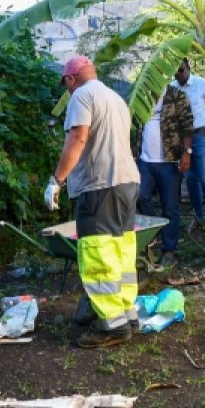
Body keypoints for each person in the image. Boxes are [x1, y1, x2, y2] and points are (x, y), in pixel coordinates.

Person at [46, 55, 141, 348]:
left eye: (66, 85)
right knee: (122, 250)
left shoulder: (82, 96)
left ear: (71, 79)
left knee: (97, 253)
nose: (67, 90)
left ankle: (111, 326)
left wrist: (56, 180)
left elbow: (78, 139)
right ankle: (126, 313)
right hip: (127, 182)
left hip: (99, 184)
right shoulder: (115, 97)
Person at [137, 84, 194, 270]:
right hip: (145, 160)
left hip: (169, 161)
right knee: (140, 196)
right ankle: (154, 235)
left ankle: (169, 250)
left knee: (170, 205)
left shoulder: (177, 95)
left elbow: (187, 126)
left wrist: (187, 152)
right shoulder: (143, 95)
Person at [173, 58, 205, 231]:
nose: (178, 73)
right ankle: (198, 216)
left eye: (181, 70)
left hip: (201, 135)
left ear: (188, 67)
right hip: (182, 138)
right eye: (176, 71)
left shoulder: (200, 83)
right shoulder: (173, 87)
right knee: (191, 178)